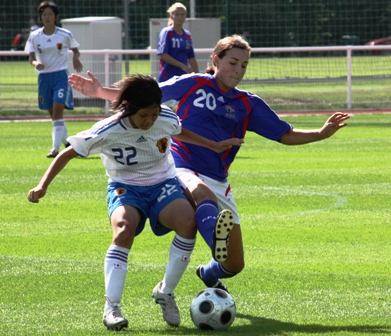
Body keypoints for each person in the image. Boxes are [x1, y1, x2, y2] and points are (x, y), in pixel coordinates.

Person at [68, 34, 350, 294]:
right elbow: (148, 97)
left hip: (219, 179)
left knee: (233, 264)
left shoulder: (247, 103)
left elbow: (285, 134)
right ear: (215, 60)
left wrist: (320, 133)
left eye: (244, 65)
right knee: (201, 195)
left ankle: (207, 271)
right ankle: (209, 241)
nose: (238, 70)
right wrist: (101, 92)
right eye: (233, 62)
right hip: (180, 165)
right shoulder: (195, 83)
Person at [27, 74, 243, 330]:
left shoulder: (165, 118)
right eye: (144, 115)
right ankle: (112, 308)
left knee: (188, 222)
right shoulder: (107, 129)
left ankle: (166, 291)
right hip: (125, 188)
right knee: (123, 229)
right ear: (128, 107)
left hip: (163, 184)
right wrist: (42, 185)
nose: (150, 120)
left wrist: (213, 145)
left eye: (154, 113)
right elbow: (68, 153)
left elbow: (180, 131)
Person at [25, 1, 83, 158]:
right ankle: (69, 144)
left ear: (56, 17)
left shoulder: (64, 34)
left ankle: (55, 150)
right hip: (44, 78)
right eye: (44, 14)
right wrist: (35, 63)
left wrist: (76, 58)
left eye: (50, 14)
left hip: (60, 76)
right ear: (40, 17)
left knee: (58, 114)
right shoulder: (35, 36)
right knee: (54, 116)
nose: (47, 17)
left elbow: (76, 50)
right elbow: (30, 56)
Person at [157, 2, 199, 83]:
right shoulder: (167, 32)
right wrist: (182, 66)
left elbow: (191, 57)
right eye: (177, 14)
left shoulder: (187, 35)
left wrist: (198, 76)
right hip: (167, 78)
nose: (180, 17)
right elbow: (163, 54)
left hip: (183, 77)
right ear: (171, 16)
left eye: (182, 14)